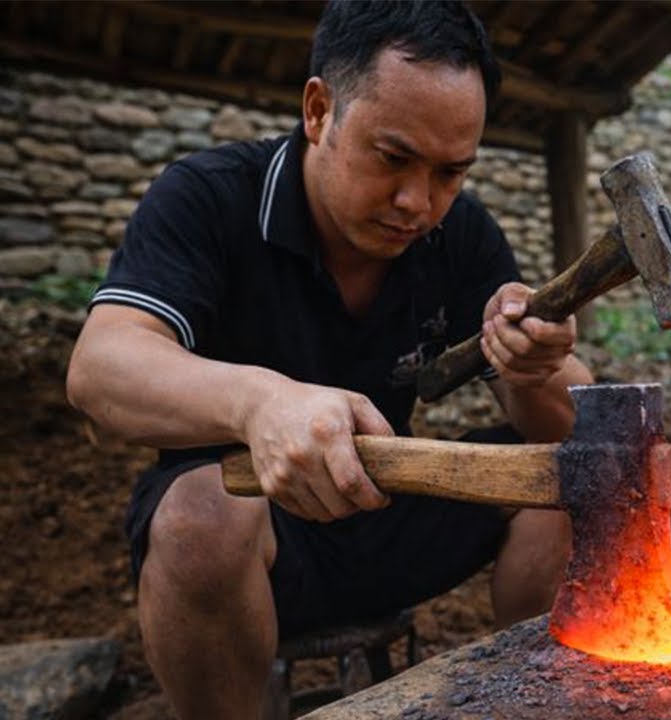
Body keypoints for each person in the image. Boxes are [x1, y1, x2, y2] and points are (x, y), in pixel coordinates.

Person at [65, 1, 592, 715]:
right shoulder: (209, 199)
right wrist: (260, 404)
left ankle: (540, 703)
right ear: (319, 111)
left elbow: (577, 429)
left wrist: (538, 370)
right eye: (394, 158)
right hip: (249, 549)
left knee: (558, 483)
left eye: (450, 173)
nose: (418, 202)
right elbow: (101, 367)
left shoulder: (460, 235)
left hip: (386, 517)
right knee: (201, 512)